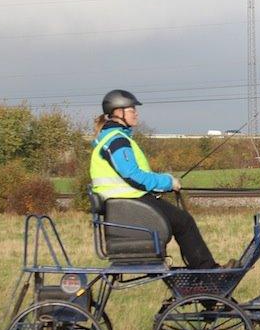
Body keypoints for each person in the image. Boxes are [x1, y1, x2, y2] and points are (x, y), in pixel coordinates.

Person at [90, 89, 218, 269]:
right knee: (184, 221)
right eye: (132, 110)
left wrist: (164, 183)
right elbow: (133, 176)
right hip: (128, 203)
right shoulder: (117, 141)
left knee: (181, 220)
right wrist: (167, 182)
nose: (136, 113)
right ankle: (207, 272)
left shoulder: (113, 138)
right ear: (118, 112)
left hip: (127, 202)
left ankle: (204, 270)